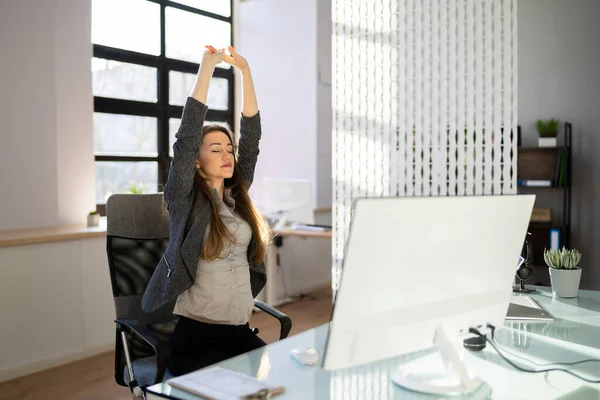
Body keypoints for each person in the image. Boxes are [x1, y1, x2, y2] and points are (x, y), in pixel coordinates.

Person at [141, 45, 271, 376]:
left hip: (239, 331)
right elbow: (185, 141)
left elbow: (252, 139)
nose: (228, 154)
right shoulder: (184, 199)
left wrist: (245, 71)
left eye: (229, 148)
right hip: (198, 337)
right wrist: (208, 69)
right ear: (197, 163)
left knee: (283, 382)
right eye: (216, 149)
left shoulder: (237, 196)